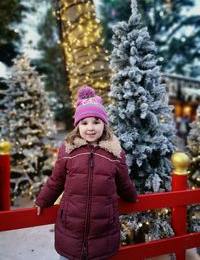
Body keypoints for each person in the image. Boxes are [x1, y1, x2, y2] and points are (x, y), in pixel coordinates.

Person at [35, 86, 138, 260]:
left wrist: (131, 197)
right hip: (70, 229)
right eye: (84, 123)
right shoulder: (68, 151)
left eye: (96, 122)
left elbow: (124, 182)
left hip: (103, 229)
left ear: (104, 125)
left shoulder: (114, 153)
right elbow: (56, 180)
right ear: (77, 126)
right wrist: (43, 201)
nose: (90, 128)